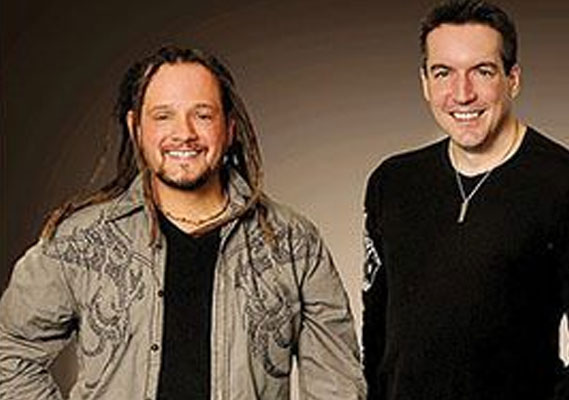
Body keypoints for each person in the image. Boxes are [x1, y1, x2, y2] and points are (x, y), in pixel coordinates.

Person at [0, 45, 364, 399]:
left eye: (202, 115)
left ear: (229, 128)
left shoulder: (293, 243)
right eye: (163, 116)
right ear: (136, 128)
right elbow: (10, 355)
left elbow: (337, 383)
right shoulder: (81, 241)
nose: (184, 132)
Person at [360, 1, 569, 398]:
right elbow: (375, 337)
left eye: (482, 72)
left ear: (512, 79)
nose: (462, 94)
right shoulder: (392, 183)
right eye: (443, 73)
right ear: (425, 82)